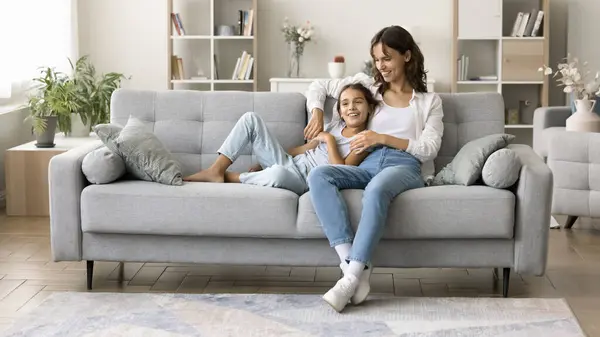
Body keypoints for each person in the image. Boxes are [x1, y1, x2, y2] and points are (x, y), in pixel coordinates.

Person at [304, 25, 444, 312]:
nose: (381, 66)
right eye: (377, 59)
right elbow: (319, 86)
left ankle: (350, 279)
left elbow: (429, 148)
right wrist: (317, 111)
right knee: (320, 175)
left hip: (404, 166)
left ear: (406, 56)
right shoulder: (369, 87)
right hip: (367, 163)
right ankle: (351, 268)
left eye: (387, 58)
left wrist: (382, 138)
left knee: (377, 188)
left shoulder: (429, 101)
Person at [183, 83, 380, 196]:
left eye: (358, 102)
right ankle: (216, 169)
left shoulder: (363, 141)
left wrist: (329, 140)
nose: (351, 107)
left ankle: (230, 177)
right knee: (251, 119)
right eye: (345, 104)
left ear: (370, 108)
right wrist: (263, 161)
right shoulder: (335, 126)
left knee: (277, 173)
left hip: (303, 180)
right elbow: (305, 149)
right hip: (290, 163)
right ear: (340, 112)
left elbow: (342, 171)